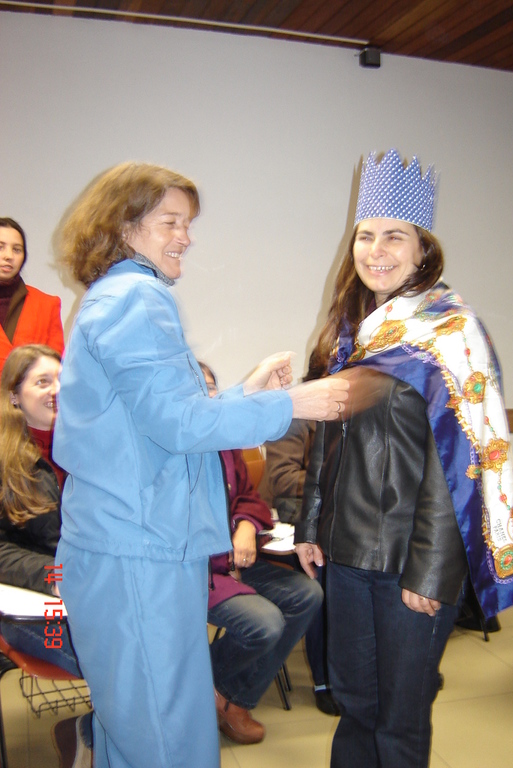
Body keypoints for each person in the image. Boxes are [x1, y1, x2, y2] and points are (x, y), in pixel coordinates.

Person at [52, 162, 349, 768]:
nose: (185, 237)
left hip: (131, 541)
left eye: (186, 223)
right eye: (170, 222)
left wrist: (245, 392)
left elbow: (154, 423)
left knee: (139, 719)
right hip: (138, 547)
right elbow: (179, 425)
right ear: (125, 226)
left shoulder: (114, 297)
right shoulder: (137, 299)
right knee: (164, 729)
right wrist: (294, 403)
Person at [295, 149, 513, 768]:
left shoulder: (452, 334)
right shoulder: (350, 329)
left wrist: (432, 572)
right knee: (353, 704)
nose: (376, 250)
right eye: (365, 235)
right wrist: (310, 526)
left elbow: (464, 464)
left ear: (423, 248)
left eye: (394, 236)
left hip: (409, 560)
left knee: (399, 719)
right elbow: (326, 435)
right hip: (346, 552)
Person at [199, 363, 323, 744]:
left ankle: (229, 696)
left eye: (212, 387)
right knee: (265, 623)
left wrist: (246, 527)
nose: (208, 395)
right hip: (198, 573)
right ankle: (201, 690)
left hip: (236, 562)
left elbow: (249, 498)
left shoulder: (225, 444)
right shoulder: (171, 451)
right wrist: (226, 553)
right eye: (196, 388)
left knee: (308, 595)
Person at [0, 344, 92, 768]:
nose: (56, 389)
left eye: (61, 379)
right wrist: (54, 573)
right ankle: (88, 736)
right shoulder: (5, 460)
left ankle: (87, 733)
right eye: (42, 381)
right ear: (14, 396)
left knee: (147, 652)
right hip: (38, 605)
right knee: (113, 662)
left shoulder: (86, 444)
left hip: (92, 589)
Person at [259, 412, 339, 716]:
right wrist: (338, 474)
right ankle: (324, 680)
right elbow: (283, 478)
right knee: (322, 571)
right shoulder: (297, 417)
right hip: (287, 520)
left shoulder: (351, 415)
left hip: (329, 516)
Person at [0, 218, 64, 372]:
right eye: (0, 247)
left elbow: (54, 369)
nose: (8, 256)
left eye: (17, 249)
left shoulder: (47, 305)